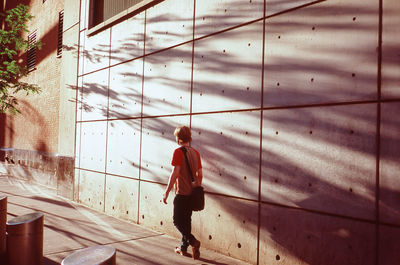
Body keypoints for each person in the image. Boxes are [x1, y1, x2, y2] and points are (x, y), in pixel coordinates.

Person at [163, 126, 203, 259]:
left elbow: (175, 173)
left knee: (177, 222)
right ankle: (183, 248)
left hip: (181, 193)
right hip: (192, 195)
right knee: (187, 221)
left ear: (179, 138)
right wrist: (197, 187)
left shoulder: (178, 152)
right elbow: (200, 174)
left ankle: (193, 241)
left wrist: (167, 191)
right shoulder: (196, 153)